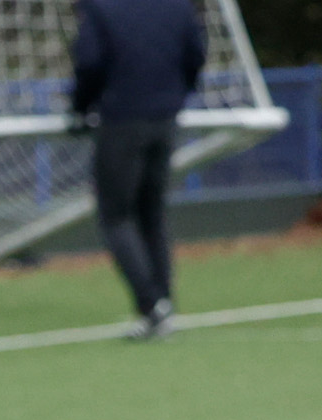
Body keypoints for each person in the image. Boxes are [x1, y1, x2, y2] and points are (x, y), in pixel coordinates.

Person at [74, 0, 207, 339]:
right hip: (165, 119)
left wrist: (80, 107)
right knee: (151, 213)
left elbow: (89, 61)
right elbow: (195, 53)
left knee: (116, 215)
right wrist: (175, 94)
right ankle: (163, 303)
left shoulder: (102, 9)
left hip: (121, 120)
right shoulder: (176, 7)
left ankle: (152, 305)